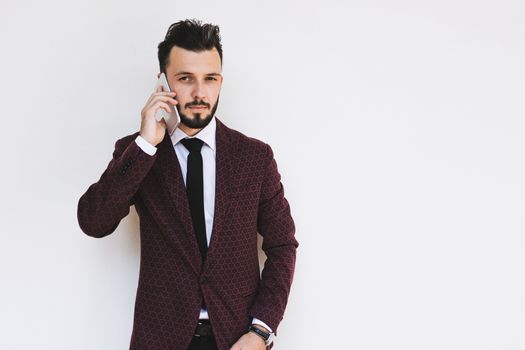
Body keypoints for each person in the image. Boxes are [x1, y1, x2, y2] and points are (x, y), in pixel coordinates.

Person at [77, 18, 298, 350]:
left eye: (209, 79)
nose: (199, 93)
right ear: (163, 82)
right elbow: (93, 221)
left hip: (238, 340)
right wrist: (146, 143)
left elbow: (283, 246)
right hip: (161, 340)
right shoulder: (136, 153)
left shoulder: (254, 157)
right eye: (185, 79)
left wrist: (261, 331)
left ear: (221, 81)